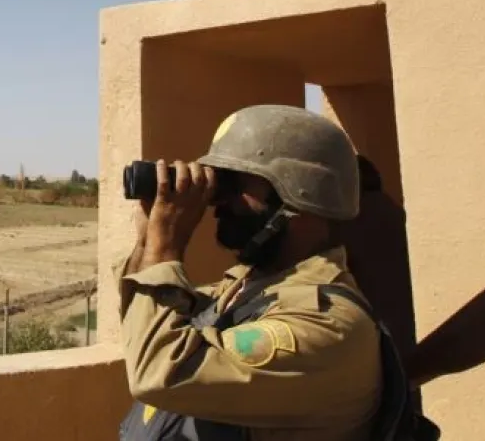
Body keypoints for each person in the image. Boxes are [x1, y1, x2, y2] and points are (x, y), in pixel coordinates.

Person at [116, 104, 406, 441]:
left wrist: (165, 246)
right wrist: (148, 238)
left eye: (234, 181)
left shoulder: (327, 324)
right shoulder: (246, 286)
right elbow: (144, 324)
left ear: (299, 193)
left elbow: (157, 372)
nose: (218, 199)